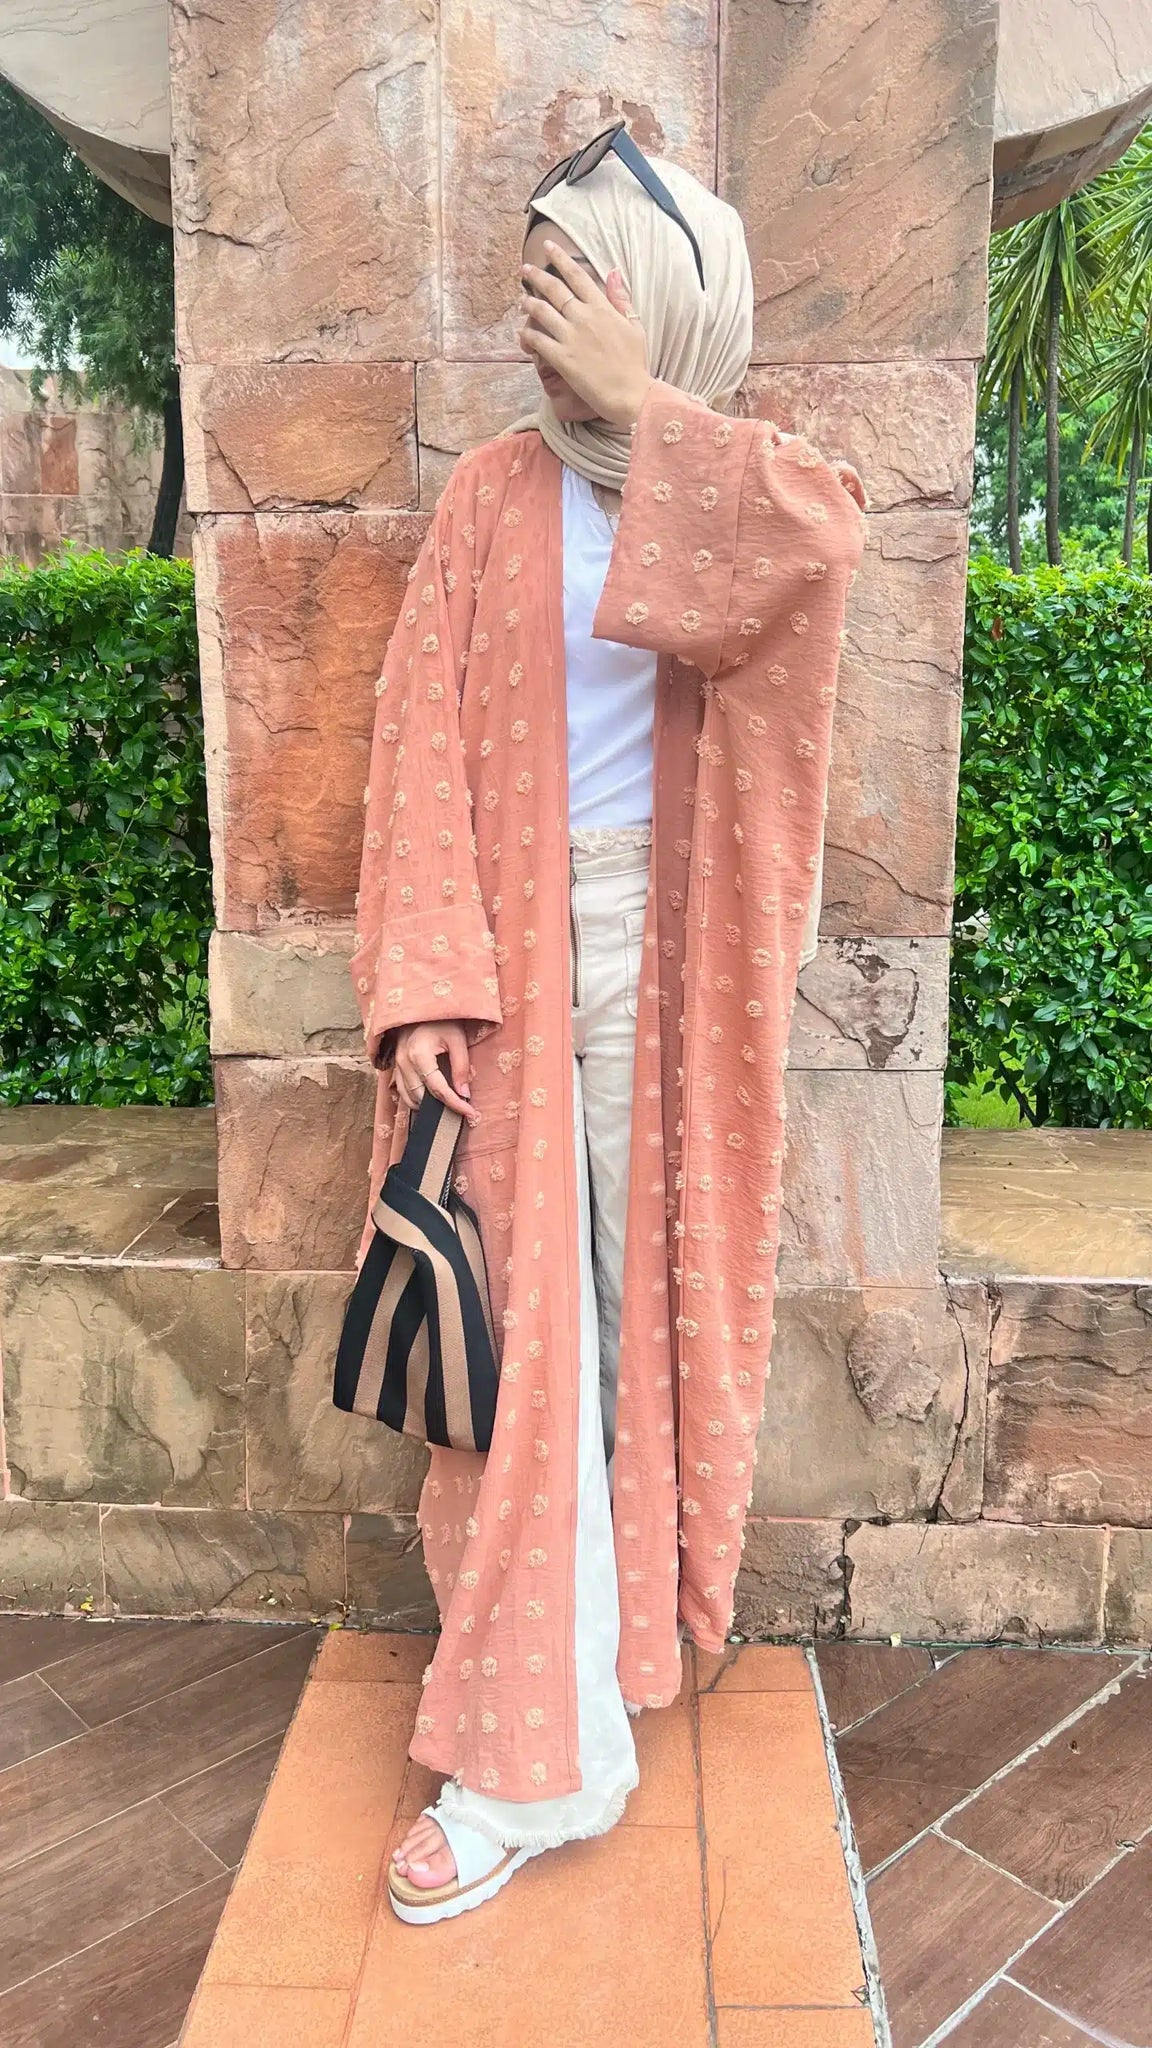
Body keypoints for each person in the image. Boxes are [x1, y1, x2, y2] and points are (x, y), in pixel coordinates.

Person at [350, 123, 866, 1926]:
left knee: (648, 1315)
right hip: (509, 955)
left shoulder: (751, 476)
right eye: (532, 280)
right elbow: (418, 734)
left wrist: (648, 409)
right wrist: (427, 979)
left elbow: (814, 558)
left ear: (659, 298)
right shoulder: (491, 496)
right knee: (523, 1347)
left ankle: (620, 1654)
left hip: (676, 963)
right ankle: (521, 1758)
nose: (540, 314)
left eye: (576, 279)